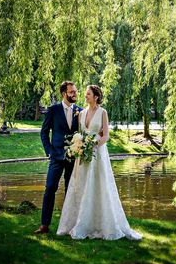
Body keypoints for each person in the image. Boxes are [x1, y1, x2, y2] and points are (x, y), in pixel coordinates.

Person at [57, 84, 142, 240]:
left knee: (99, 185)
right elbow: (80, 133)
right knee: (82, 185)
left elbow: (105, 136)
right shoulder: (81, 114)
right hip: (83, 155)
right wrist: (80, 146)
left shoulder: (103, 112)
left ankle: (103, 223)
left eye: (88, 94)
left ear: (95, 96)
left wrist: (93, 145)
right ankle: (79, 222)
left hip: (98, 154)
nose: (85, 96)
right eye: (85, 94)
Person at [35, 80, 82, 235]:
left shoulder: (80, 111)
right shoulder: (53, 110)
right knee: (50, 188)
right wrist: (48, 150)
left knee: (71, 191)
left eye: (75, 91)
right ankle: (44, 225)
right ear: (64, 94)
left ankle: (70, 226)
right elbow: (44, 132)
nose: (75, 94)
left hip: (73, 158)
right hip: (56, 156)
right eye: (72, 92)